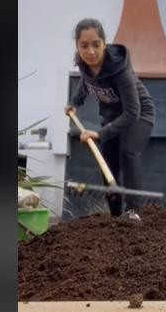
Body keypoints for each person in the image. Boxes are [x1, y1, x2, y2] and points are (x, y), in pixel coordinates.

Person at [65, 18, 156, 221]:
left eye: (96, 44)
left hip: (140, 114)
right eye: (84, 45)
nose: (90, 51)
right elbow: (86, 84)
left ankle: (134, 212)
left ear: (104, 43)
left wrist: (99, 133)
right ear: (77, 46)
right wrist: (74, 103)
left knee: (128, 152)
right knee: (108, 163)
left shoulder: (119, 69)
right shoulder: (84, 65)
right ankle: (116, 217)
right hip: (112, 118)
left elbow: (133, 112)